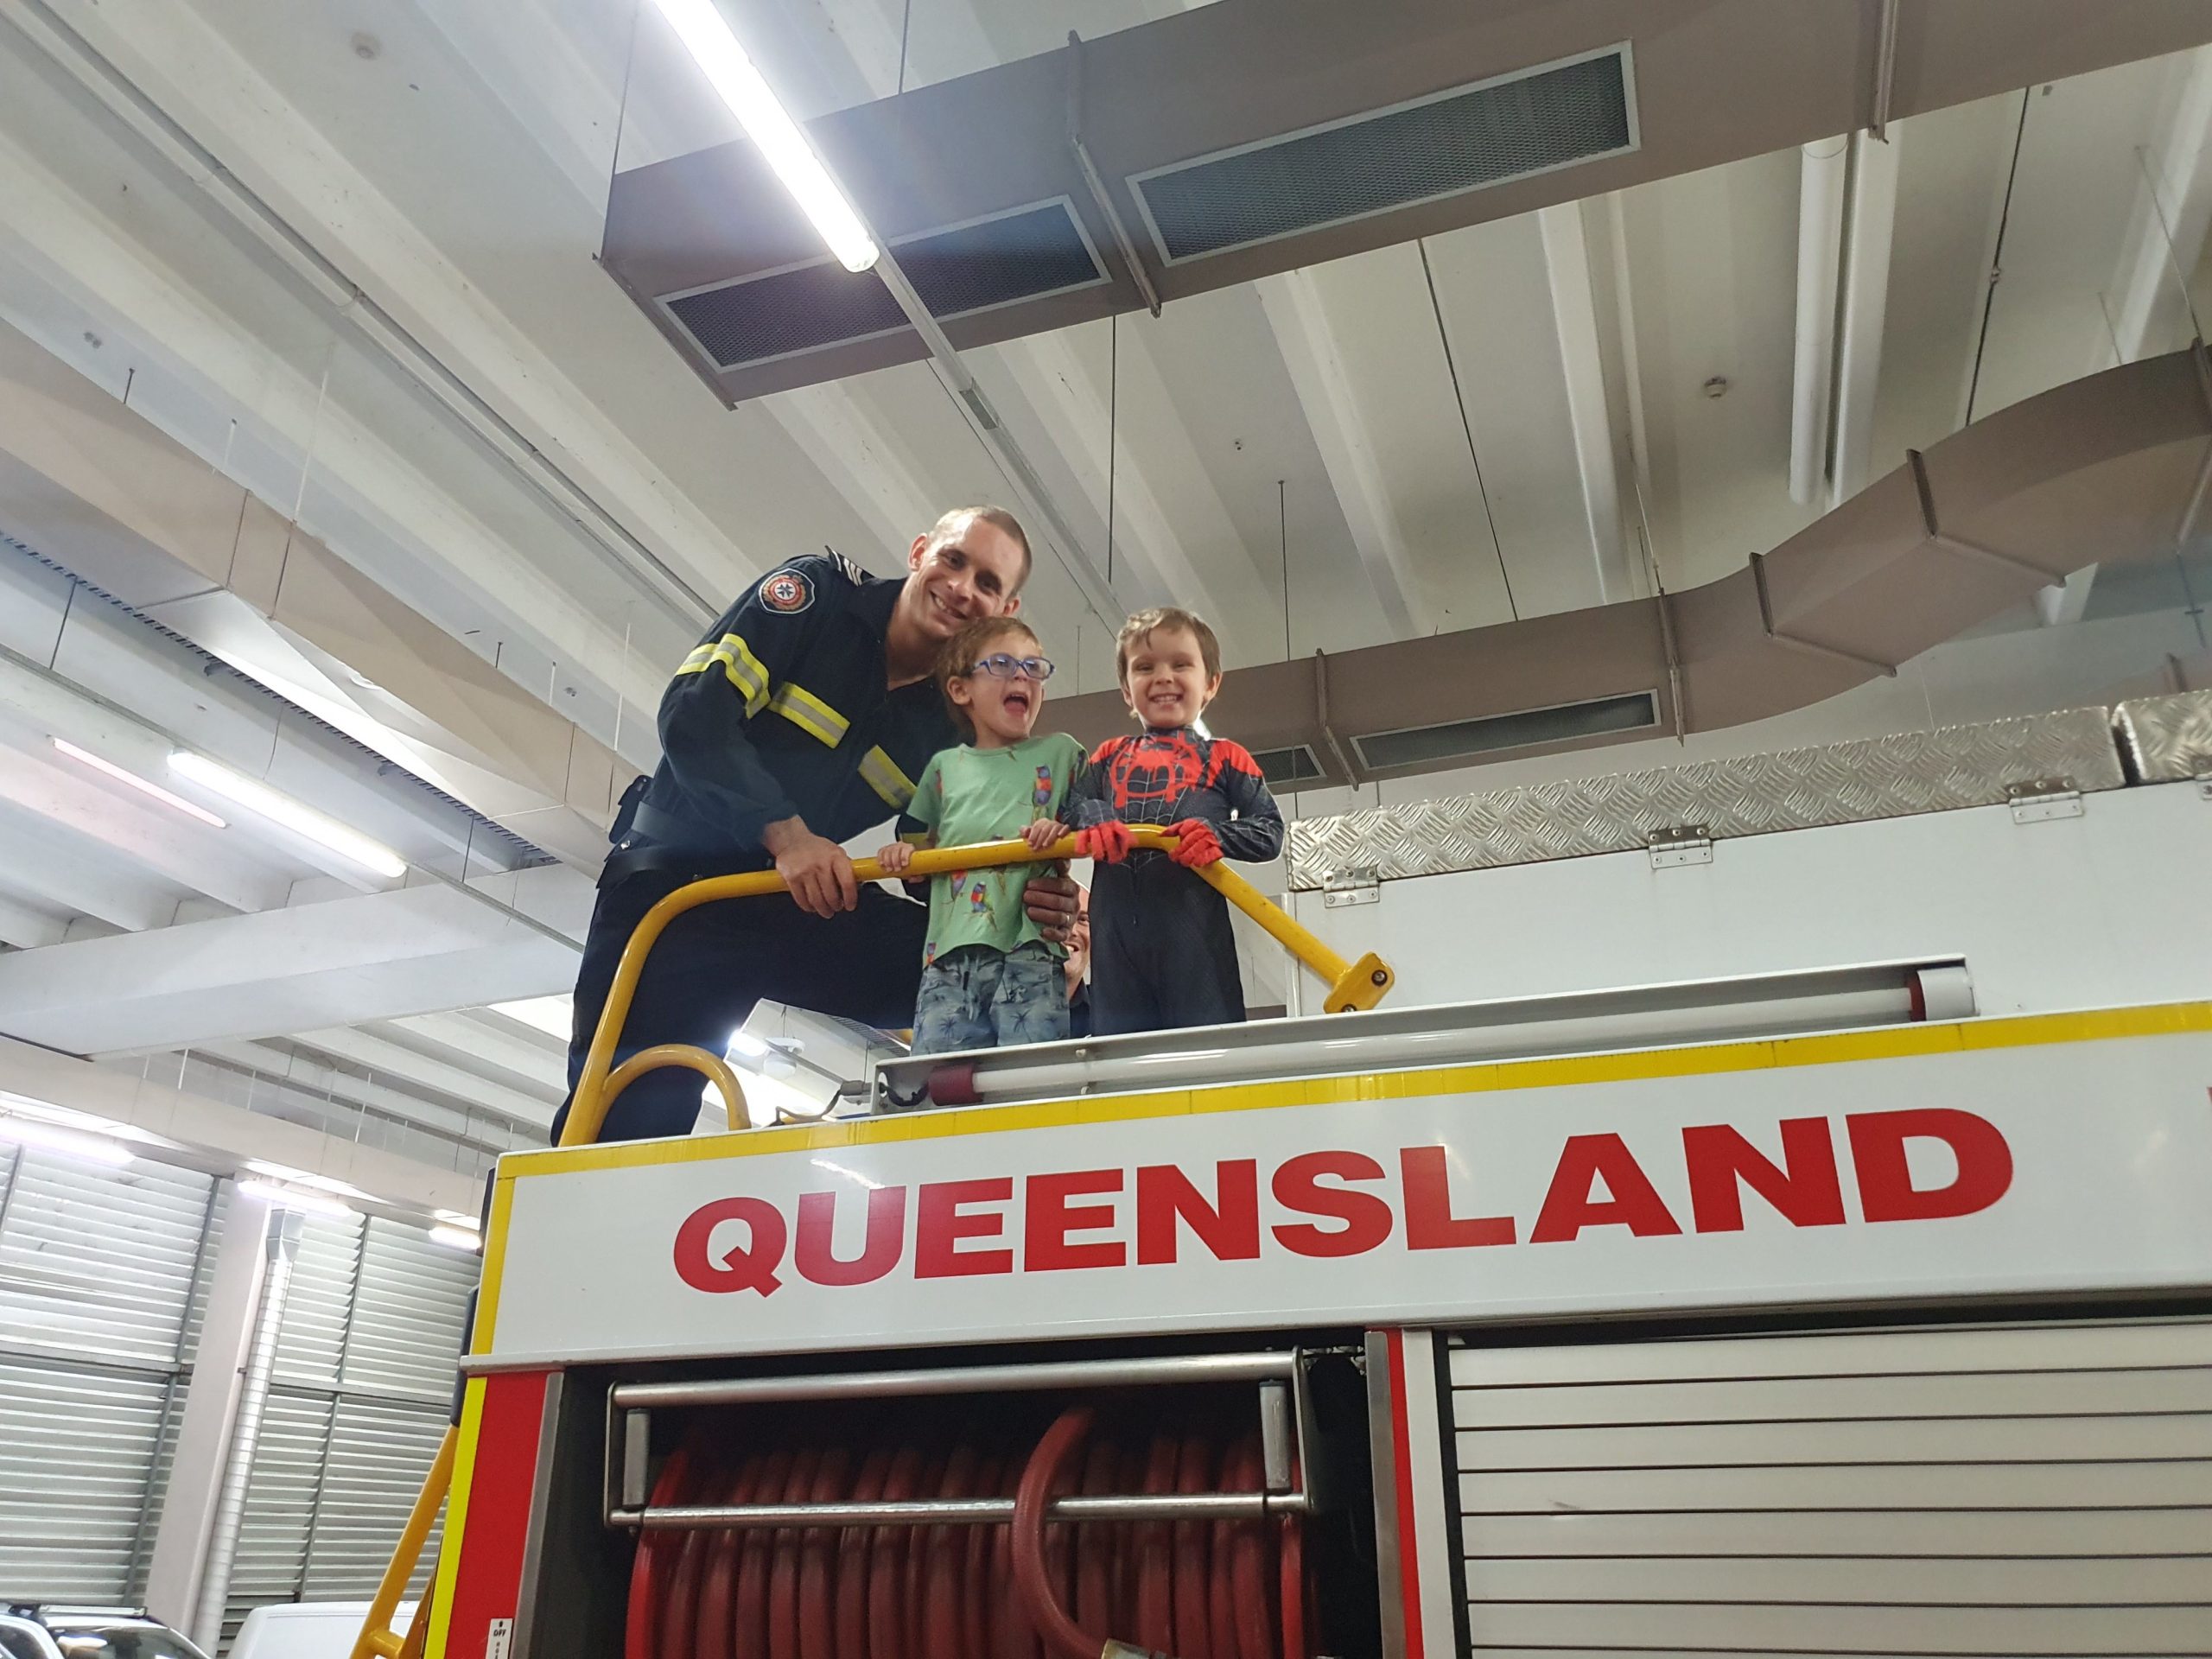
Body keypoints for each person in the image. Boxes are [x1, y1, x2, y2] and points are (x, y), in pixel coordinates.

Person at [555, 506, 1078, 1143]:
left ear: (1006, 605)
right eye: (954, 560)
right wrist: (786, 834)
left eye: (988, 583)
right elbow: (695, 717)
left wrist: (1031, 906)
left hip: (794, 902)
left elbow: (944, 853)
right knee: (624, 1119)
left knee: (998, 966)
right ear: (919, 553)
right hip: (677, 895)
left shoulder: (954, 719)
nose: (964, 587)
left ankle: (999, 1154)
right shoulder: (816, 597)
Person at [1067, 607, 1285, 1035]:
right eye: (1145, 667)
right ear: (1127, 690)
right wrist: (1094, 814)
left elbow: (1270, 830)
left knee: (1208, 1048)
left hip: (1194, 931)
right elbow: (1069, 804)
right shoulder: (1106, 756)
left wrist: (1219, 836)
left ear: (1211, 684)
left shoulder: (1227, 756)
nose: (1163, 677)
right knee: (1120, 1059)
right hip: (1114, 943)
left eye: (1181, 664)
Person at [877, 616, 1087, 1058]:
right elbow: (916, 838)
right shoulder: (944, 767)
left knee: (1030, 1076)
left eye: (1034, 667)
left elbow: (1092, 816)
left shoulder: (1061, 752)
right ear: (960, 689)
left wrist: (1065, 826)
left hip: (1030, 946)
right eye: (1003, 664)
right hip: (949, 953)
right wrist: (904, 855)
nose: (1022, 676)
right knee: (941, 1074)